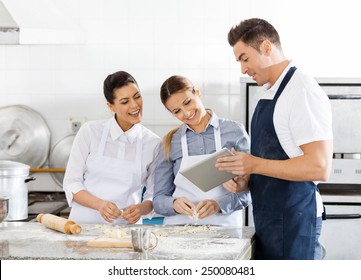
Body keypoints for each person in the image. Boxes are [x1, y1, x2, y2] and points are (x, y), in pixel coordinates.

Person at [216, 18, 333, 259]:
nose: (243, 69)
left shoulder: (301, 91)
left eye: (245, 58)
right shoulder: (271, 93)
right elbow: (275, 161)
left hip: (294, 223)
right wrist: (246, 181)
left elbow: (319, 166)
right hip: (271, 223)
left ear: (267, 48)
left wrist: (254, 164)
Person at [63, 71, 161, 224]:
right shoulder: (90, 132)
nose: (135, 105)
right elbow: (71, 183)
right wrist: (100, 205)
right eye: (124, 101)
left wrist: (140, 209)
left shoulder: (153, 143)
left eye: (137, 96)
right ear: (110, 106)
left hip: (127, 231)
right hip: (83, 227)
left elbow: (154, 194)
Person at [152, 75, 251, 226]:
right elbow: (158, 199)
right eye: (177, 111)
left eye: (188, 102)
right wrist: (173, 204)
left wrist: (219, 205)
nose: (186, 113)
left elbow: (250, 191)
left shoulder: (234, 131)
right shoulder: (170, 142)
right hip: (179, 229)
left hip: (225, 229)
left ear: (197, 92)